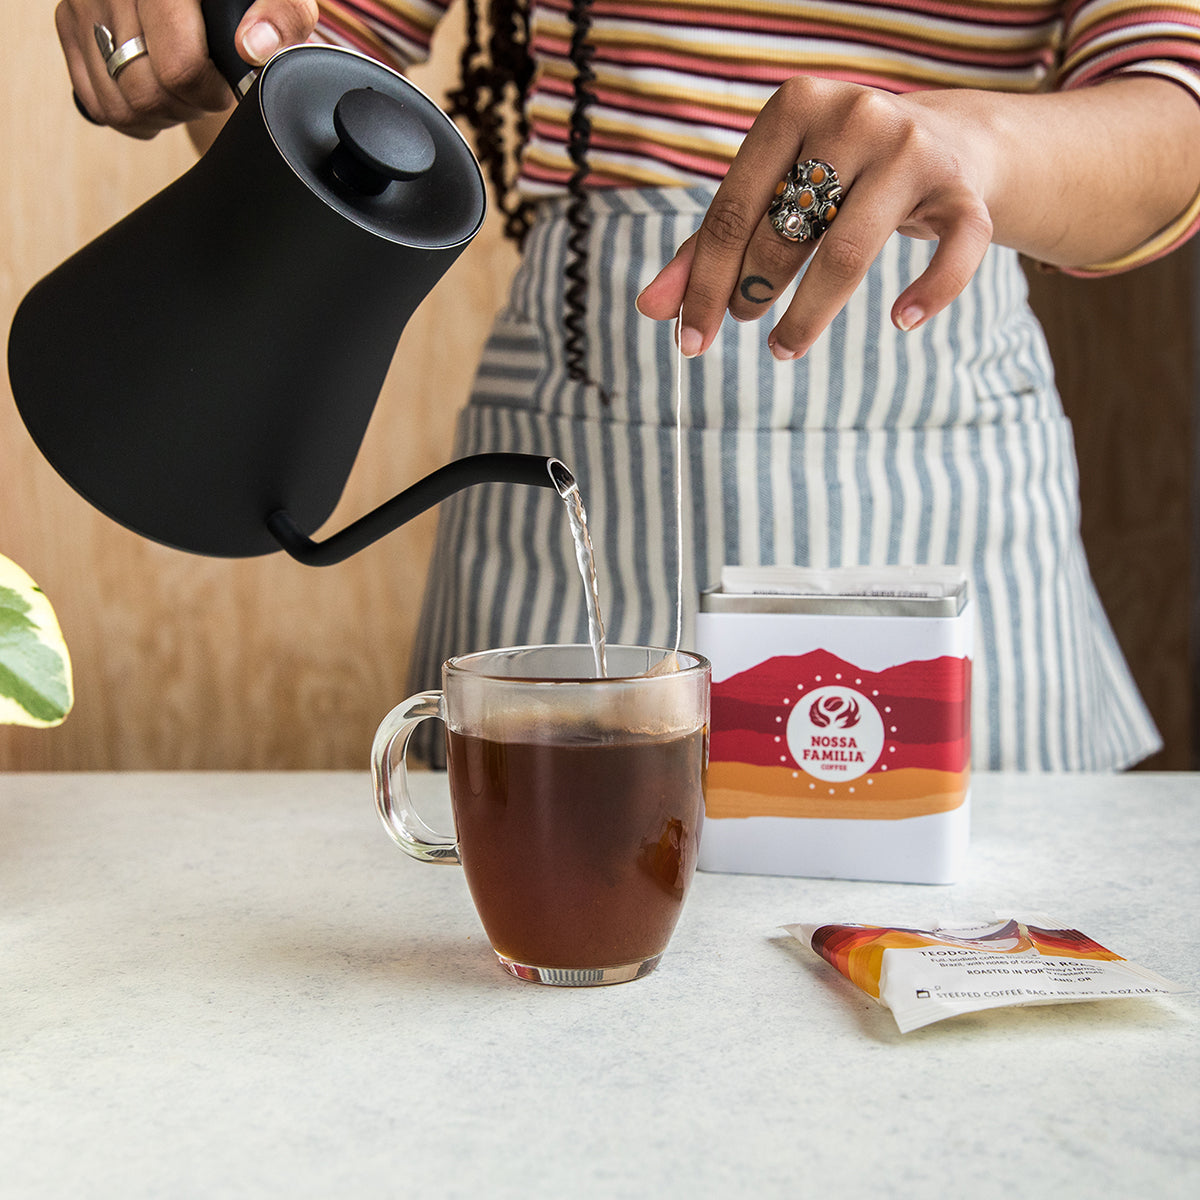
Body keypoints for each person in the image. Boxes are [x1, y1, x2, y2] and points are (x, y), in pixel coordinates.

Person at [56, 0, 1200, 770]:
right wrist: (199, 38)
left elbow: (1174, 103)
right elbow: (302, 71)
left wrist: (974, 149)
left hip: (947, 468)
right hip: (581, 446)